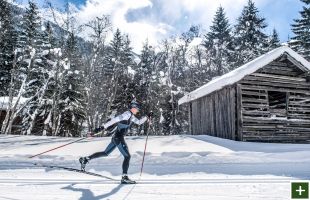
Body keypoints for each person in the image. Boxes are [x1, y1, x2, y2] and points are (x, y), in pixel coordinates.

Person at [79, 101, 151, 184]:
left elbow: (139, 122)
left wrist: (147, 116)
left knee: (105, 153)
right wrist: (100, 128)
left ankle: (85, 159)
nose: (138, 110)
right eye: (137, 109)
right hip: (118, 138)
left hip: (116, 138)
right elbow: (114, 120)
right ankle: (124, 177)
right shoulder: (126, 114)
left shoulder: (131, 116)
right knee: (127, 156)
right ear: (133, 108)